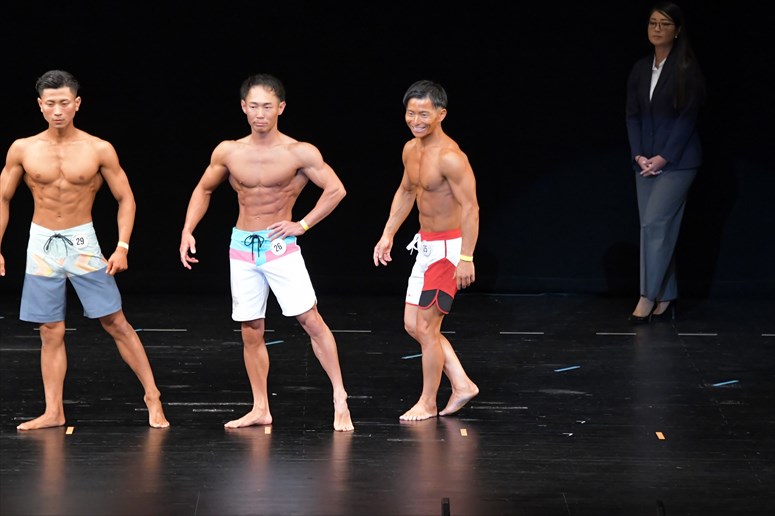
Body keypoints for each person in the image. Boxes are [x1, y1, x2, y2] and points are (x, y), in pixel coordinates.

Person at [178, 73, 354, 432]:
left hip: (279, 245)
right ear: (244, 107)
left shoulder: (298, 152)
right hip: (242, 246)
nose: (260, 114)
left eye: (267, 107)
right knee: (251, 329)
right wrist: (187, 230)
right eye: (254, 106)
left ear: (281, 108)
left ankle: (340, 397)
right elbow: (203, 189)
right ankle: (260, 407)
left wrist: (302, 224)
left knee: (310, 320)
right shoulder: (228, 151)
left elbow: (336, 189)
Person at [0, 69, 170, 430]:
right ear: (40, 105)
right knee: (50, 330)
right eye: (50, 103)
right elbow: (3, 198)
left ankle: (152, 396)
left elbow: (126, 199)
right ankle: (53, 411)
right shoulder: (23, 148)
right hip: (41, 244)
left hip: (82, 243)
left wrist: (122, 247)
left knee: (115, 321)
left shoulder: (98, 148)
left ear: (77, 103)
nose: (57, 110)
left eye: (64, 103)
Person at [373, 80, 480, 421]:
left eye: (423, 114)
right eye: (410, 113)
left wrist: (466, 257)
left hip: (449, 249)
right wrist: (388, 233)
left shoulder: (451, 157)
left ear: (441, 114)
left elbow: (471, 208)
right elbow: (406, 191)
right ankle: (462, 384)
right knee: (413, 325)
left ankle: (428, 402)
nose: (415, 120)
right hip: (426, 246)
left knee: (428, 329)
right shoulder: (411, 149)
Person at [625, 2, 706, 323]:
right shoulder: (640, 69)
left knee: (654, 225)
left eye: (665, 24)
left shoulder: (687, 69)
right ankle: (667, 294)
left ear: (678, 30)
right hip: (645, 162)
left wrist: (663, 157)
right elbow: (632, 115)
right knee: (655, 229)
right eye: (652, 23)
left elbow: (687, 119)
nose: (657, 29)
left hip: (678, 162)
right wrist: (639, 155)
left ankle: (647, 296)